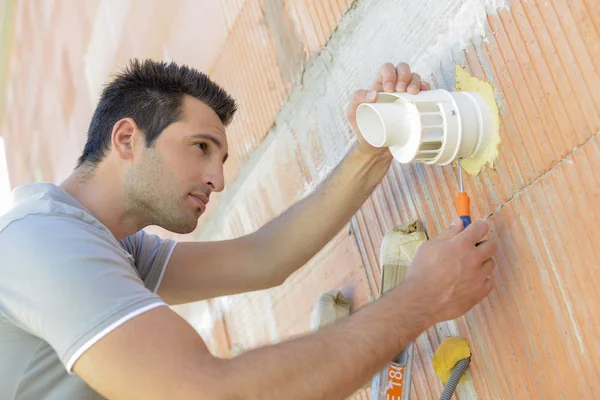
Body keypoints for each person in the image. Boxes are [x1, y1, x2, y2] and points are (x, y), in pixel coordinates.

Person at [0, 59, 498, 399]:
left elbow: (265, 258)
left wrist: (375, 147)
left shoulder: (105, 242)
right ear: (128, 138)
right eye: (200, 147)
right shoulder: (40, 244)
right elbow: (208, 393)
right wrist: (424, 298)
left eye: (222, 158)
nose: (217, 178)